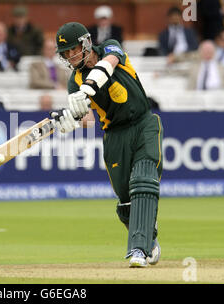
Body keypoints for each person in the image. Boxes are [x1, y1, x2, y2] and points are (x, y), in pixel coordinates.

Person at [50, 22, 163, 268]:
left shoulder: (110, 47)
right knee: (125, 201)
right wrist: (68, 120)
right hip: (114, 135)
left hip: (144, 123)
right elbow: (83, 118)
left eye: (73, 49)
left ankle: (138, 250)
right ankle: (149, 238)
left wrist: (88, 88)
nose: (71, 56)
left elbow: (110, 61)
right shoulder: (74, 82)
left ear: (86, 43)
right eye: (66, 54)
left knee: (143, 181)